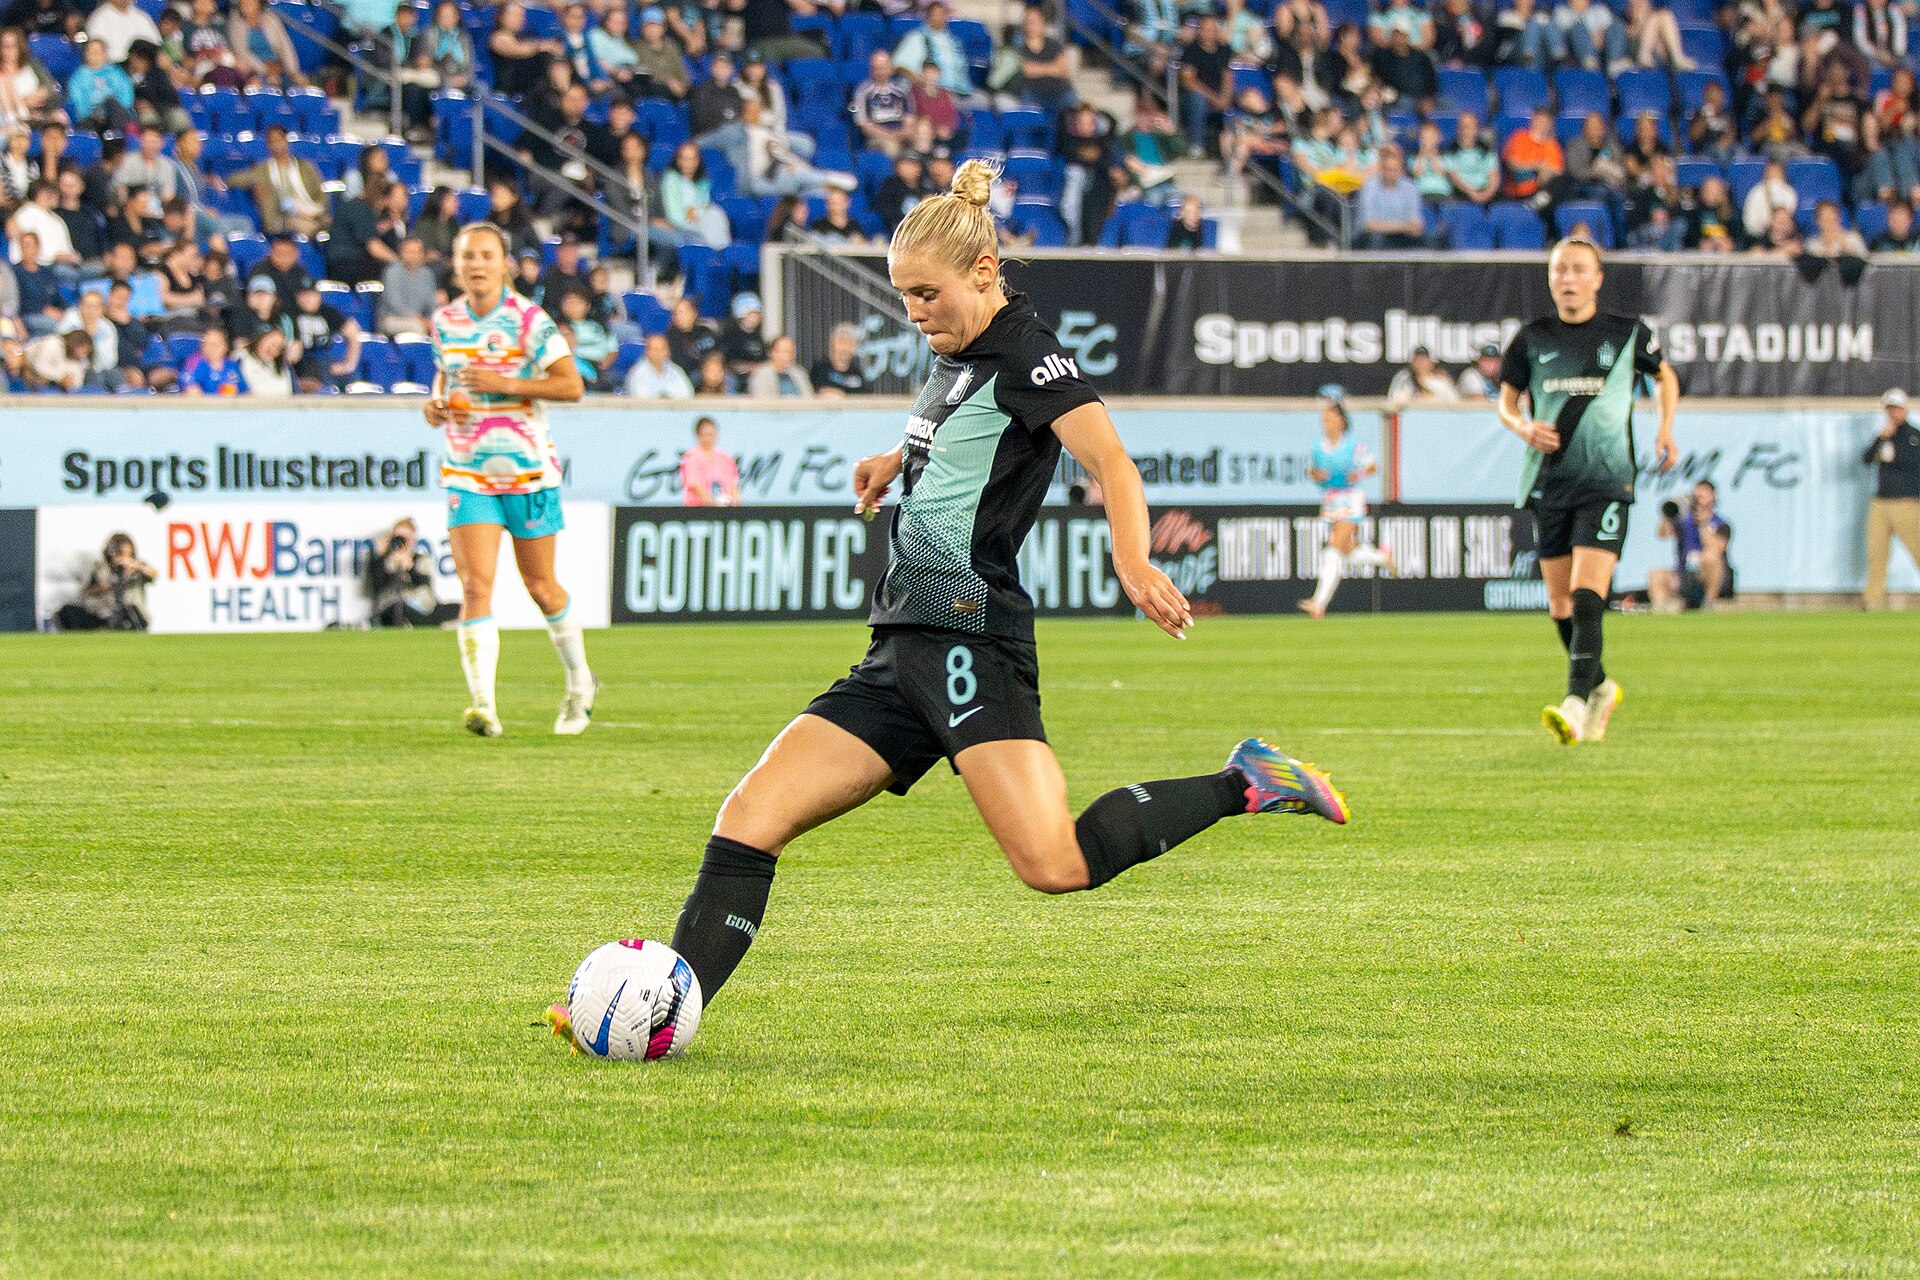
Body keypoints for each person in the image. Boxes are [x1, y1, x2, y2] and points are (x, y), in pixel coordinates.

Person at [546, 159, 1348, 1035]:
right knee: (749, 817)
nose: (913, 311)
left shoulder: (1031, 358)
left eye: (926, 293)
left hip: (971, 642)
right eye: (903, 295)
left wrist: (1132, 560)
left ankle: (1248, 781)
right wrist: (897, 460)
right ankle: (660, 1010)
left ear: (984, 274)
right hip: (899, 649)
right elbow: (954, 432)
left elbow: (1112, 461)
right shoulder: (956, 351)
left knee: (1054, 860)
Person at [1498, 237, 1678, 746]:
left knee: (1586, 593)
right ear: (1551, 278)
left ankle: (1575, 704)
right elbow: (1506, 402)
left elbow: (1666, 378)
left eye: (1578, 269)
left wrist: (1665, 428)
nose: (1568, 279)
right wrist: (1522, 426)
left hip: (1605, 480)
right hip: (1548, 479)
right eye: (1560, 270)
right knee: (1559, 606)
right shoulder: (1532, 338)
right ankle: (1599, 687)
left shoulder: (1625, 334)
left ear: (1597, 278)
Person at [425, 222, 595, 737]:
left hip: (527, 471)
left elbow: (572, 386)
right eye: (467, 256)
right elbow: (445, 379)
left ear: (503, 264)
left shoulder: (528, 320)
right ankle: (484, 706)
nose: (476, 264)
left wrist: (506, 384)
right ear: (456, 265)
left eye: (485, 255)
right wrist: (434, 406)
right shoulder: (444, 322)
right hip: (468, 471)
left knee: (541, 587)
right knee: (476, 586)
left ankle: (580, 684)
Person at [1298, 388, 1394, 618]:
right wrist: (1316, 475)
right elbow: (1311, 470)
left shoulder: (1352, 445)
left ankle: (1319, 602)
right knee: (1345, 550)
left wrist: (1357, 475)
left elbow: (1371, 466)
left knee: (1333, 548)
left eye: (1330, 418)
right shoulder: (1317, 447)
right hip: (1331, 499)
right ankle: (1381, 556)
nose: (1326, 423)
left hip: (1350, 499)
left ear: (1341, 421)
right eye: (1324, 419)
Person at [1862, 386, 1920, 609]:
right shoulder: (1885, 435)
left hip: (1905, 502)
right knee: (1876, 551)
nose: (1892, 413)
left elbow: (1912, 463)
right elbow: (1866, 459)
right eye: (1889, 409)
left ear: (1904, 409)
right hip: (1881, 501)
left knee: (1917, 549)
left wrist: (1891, 451)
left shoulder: (1913, 435)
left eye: (1895, 408)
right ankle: (1873, 599)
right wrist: (1880, 439)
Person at [1648, 480, 1730, 611]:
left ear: (1713, 497)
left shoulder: (1720, 524)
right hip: (1684, 573)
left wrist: (1703, 523)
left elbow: (1717, 548)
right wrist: (1669, 513)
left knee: (1710, 559)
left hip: (1706, 576)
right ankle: (1660, 611)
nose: (1698, 500)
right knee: (1656, 574)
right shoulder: (1683, 521)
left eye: (1703, 496)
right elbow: (1662, 534)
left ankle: (1708, 603)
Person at [55, 532, 153, 631]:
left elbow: (153, 574)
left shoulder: (138, 568)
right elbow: (86, 592)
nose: (122, 559)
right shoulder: (101, 568)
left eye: (126, 554)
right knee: (68, 611)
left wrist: (135, 568)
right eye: (119, 554)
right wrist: (104, 587)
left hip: (129, 613)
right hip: (107, 613)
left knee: (130, 609)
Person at [368, 517, 455, 627]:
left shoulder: (422, 560)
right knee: (397, 608)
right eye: (398, 538)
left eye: (406, 538)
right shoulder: (385, 562)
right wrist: (383, 559)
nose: (402, 542)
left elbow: (424, 584)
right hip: (392, 607)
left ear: (413, 540)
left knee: (456, 609)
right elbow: (377, 586)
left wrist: (410, 568)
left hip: (421, 607)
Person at [679, 415, 740, 505]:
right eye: (706, 435)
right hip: (699, 512)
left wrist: (735, 505)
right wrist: (715, 505)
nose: (710, 438)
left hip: (726, 512)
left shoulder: (725, 458)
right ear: (698, 435)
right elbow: (696, 487)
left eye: (712, 434)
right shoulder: (691, 458)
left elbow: (733, 485)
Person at [625, 331, 695, 398]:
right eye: (655, 349)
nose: (659, 353)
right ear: (647, 352)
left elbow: (687, 393)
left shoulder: (675, 370)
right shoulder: (638, 373)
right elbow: (641, 398)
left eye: (662, 349)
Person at [810, 321, 868, 395]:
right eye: (841, 343)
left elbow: (864, 397)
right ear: (832, 345)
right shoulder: (819, 369)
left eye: (849, 344)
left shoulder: (857, 373)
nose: (844, 348)